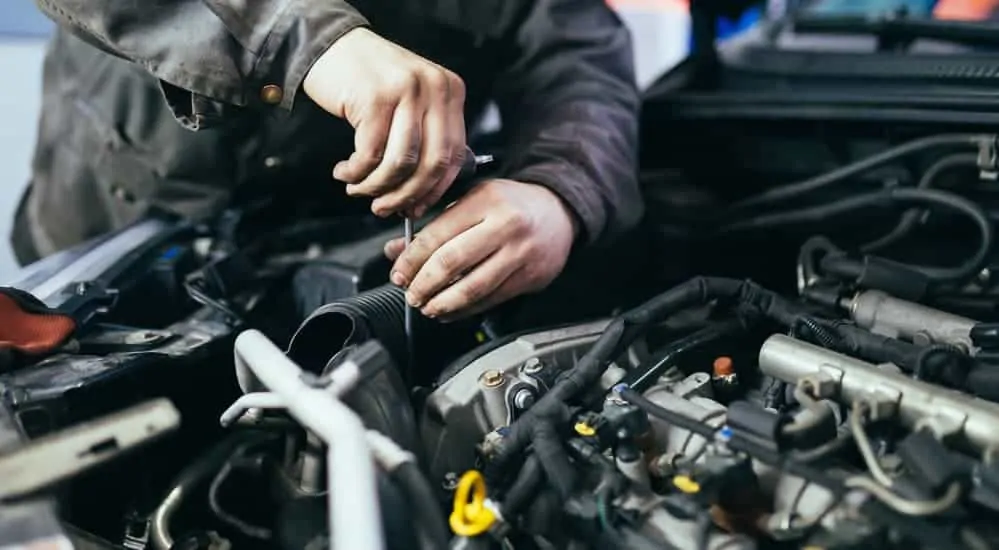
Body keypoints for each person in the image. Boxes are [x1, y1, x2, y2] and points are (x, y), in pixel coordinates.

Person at [12, 0, 642, 321]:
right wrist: (300, 37)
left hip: (330, 261)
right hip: (105, 246)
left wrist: (558, 189)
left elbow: (577, 57)